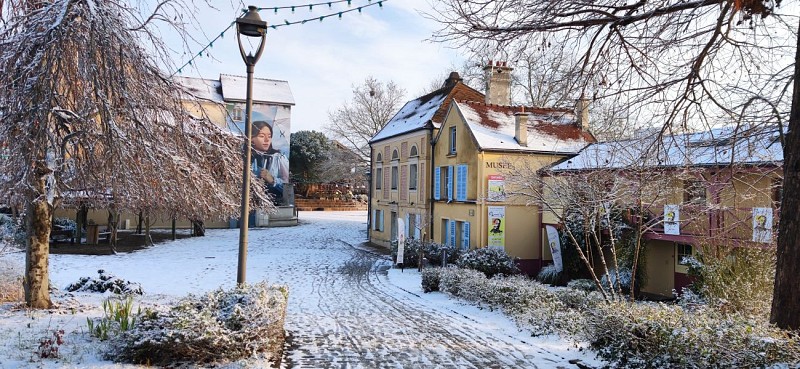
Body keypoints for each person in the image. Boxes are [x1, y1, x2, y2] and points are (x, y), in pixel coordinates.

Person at [251, 121, 289, 205]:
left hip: (272, 206)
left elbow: (288, 188)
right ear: (252, 138)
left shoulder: (278, 158)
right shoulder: (245, 158)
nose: (267, 140)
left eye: (269, 136)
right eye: (261, 136)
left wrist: (272, 180)